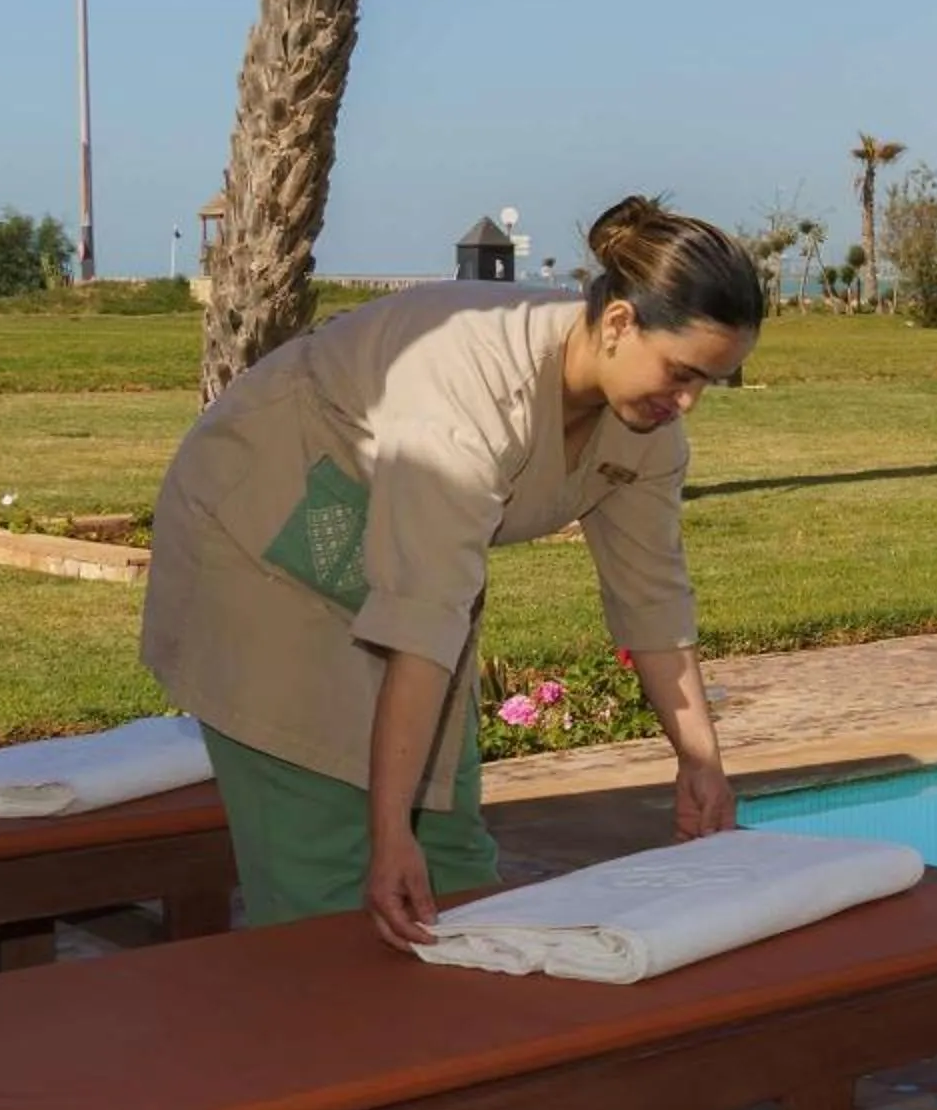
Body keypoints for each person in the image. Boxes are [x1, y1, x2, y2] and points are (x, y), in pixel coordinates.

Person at [142, 194, 761, 948]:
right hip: (255, 548)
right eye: (682, 373)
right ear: (621, 322)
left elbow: (652, 596)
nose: (688, 401)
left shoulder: (646, 423)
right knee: (329, 884)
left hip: (394, 569)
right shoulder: (469, 386)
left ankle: (452, 1056)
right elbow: (424, 616)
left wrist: (700, 762)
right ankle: (317, 1053)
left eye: (710, 384)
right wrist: (387, 835)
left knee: (455, 859)